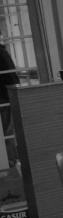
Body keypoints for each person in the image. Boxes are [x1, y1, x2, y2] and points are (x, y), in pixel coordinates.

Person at [0, 36, 20, 167]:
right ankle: (10, 162)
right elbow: (12, 77)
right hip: (3, 97)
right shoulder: (2, 53)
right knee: (7, 131)